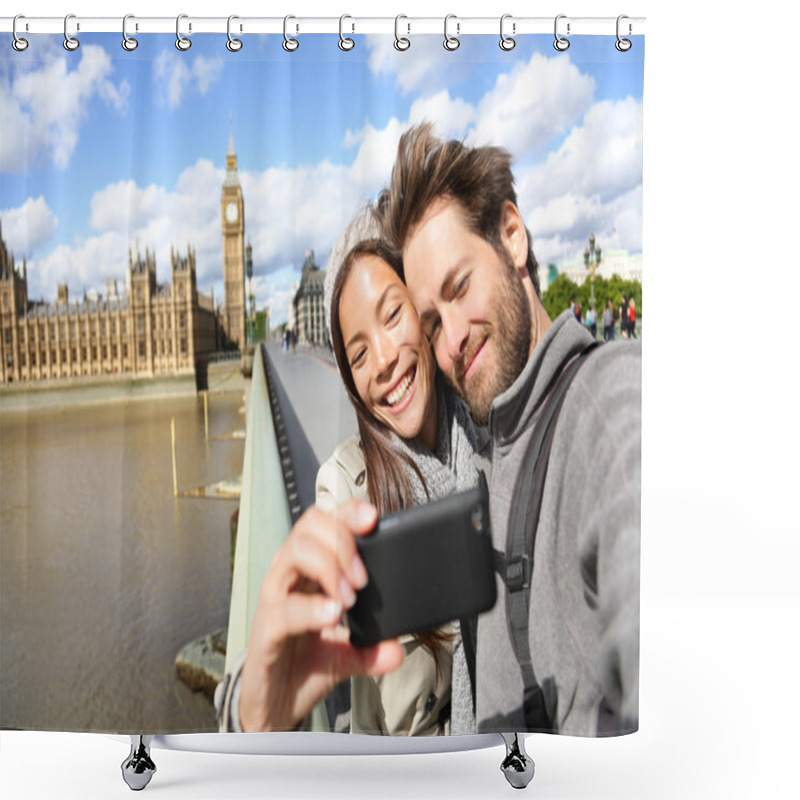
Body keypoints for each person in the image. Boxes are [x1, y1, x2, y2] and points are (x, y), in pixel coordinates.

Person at [378, 123, 640, 737]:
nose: (453, 337)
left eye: (459, 287)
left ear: (513, 237)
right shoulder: (485, 450)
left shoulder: (607, 401)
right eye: (432, 323)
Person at [216, 208, 480, 736]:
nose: (382, 360)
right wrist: (252, 710)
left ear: (422, 307)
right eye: (357, 354)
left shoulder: (491, 430)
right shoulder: (346, 491)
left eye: (392, 315)